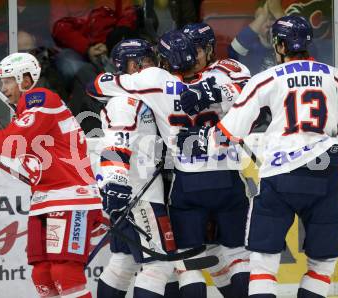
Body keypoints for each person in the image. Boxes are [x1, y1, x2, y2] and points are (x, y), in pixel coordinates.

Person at [177, 15, 338, 298]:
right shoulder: (335, 76)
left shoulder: (266, 78)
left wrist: (199, 141)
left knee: (263, 264)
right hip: (323, 176)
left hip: (278, 178)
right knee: (322, 265)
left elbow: (228, 133)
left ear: (279, 45)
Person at [87, 30, 250, 297]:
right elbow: (252, 94)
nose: (151, 63)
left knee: (179, 263)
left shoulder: (152, 81)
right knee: (228, 254)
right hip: (219, 177)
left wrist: (113, 180)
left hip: (181, 183)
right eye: (146, 59)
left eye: (155, 58)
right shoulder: (221, 76)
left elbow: (95, 86)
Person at [0, 52, 103, 298]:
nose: (4, 88)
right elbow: (14, 140)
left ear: (26, 80)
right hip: (44, 199)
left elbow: (15, 141)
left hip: (72, 197)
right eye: (2, 82)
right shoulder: (25, 112)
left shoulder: (42, 99)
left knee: (66, 274)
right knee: (42, 275)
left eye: (9, 81)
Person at [96, 38, 177, 298]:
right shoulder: (124, 102)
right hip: (140, 198)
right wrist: (115, 181)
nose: (153, 66)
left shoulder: (141, 98)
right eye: (147, 60)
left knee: (123, 262)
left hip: (138, 193)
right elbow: (116, 143)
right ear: (131, 65)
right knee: (160, 266)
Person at [181, 22, 253, 297]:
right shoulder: (167, 75)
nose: (191, 55)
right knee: (195, 255)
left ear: (209, 49)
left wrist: (212, 93)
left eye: (197, 49)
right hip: (183, 176)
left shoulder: (227, 69)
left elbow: (250, 95)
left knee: (235, 250)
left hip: (226, 171)